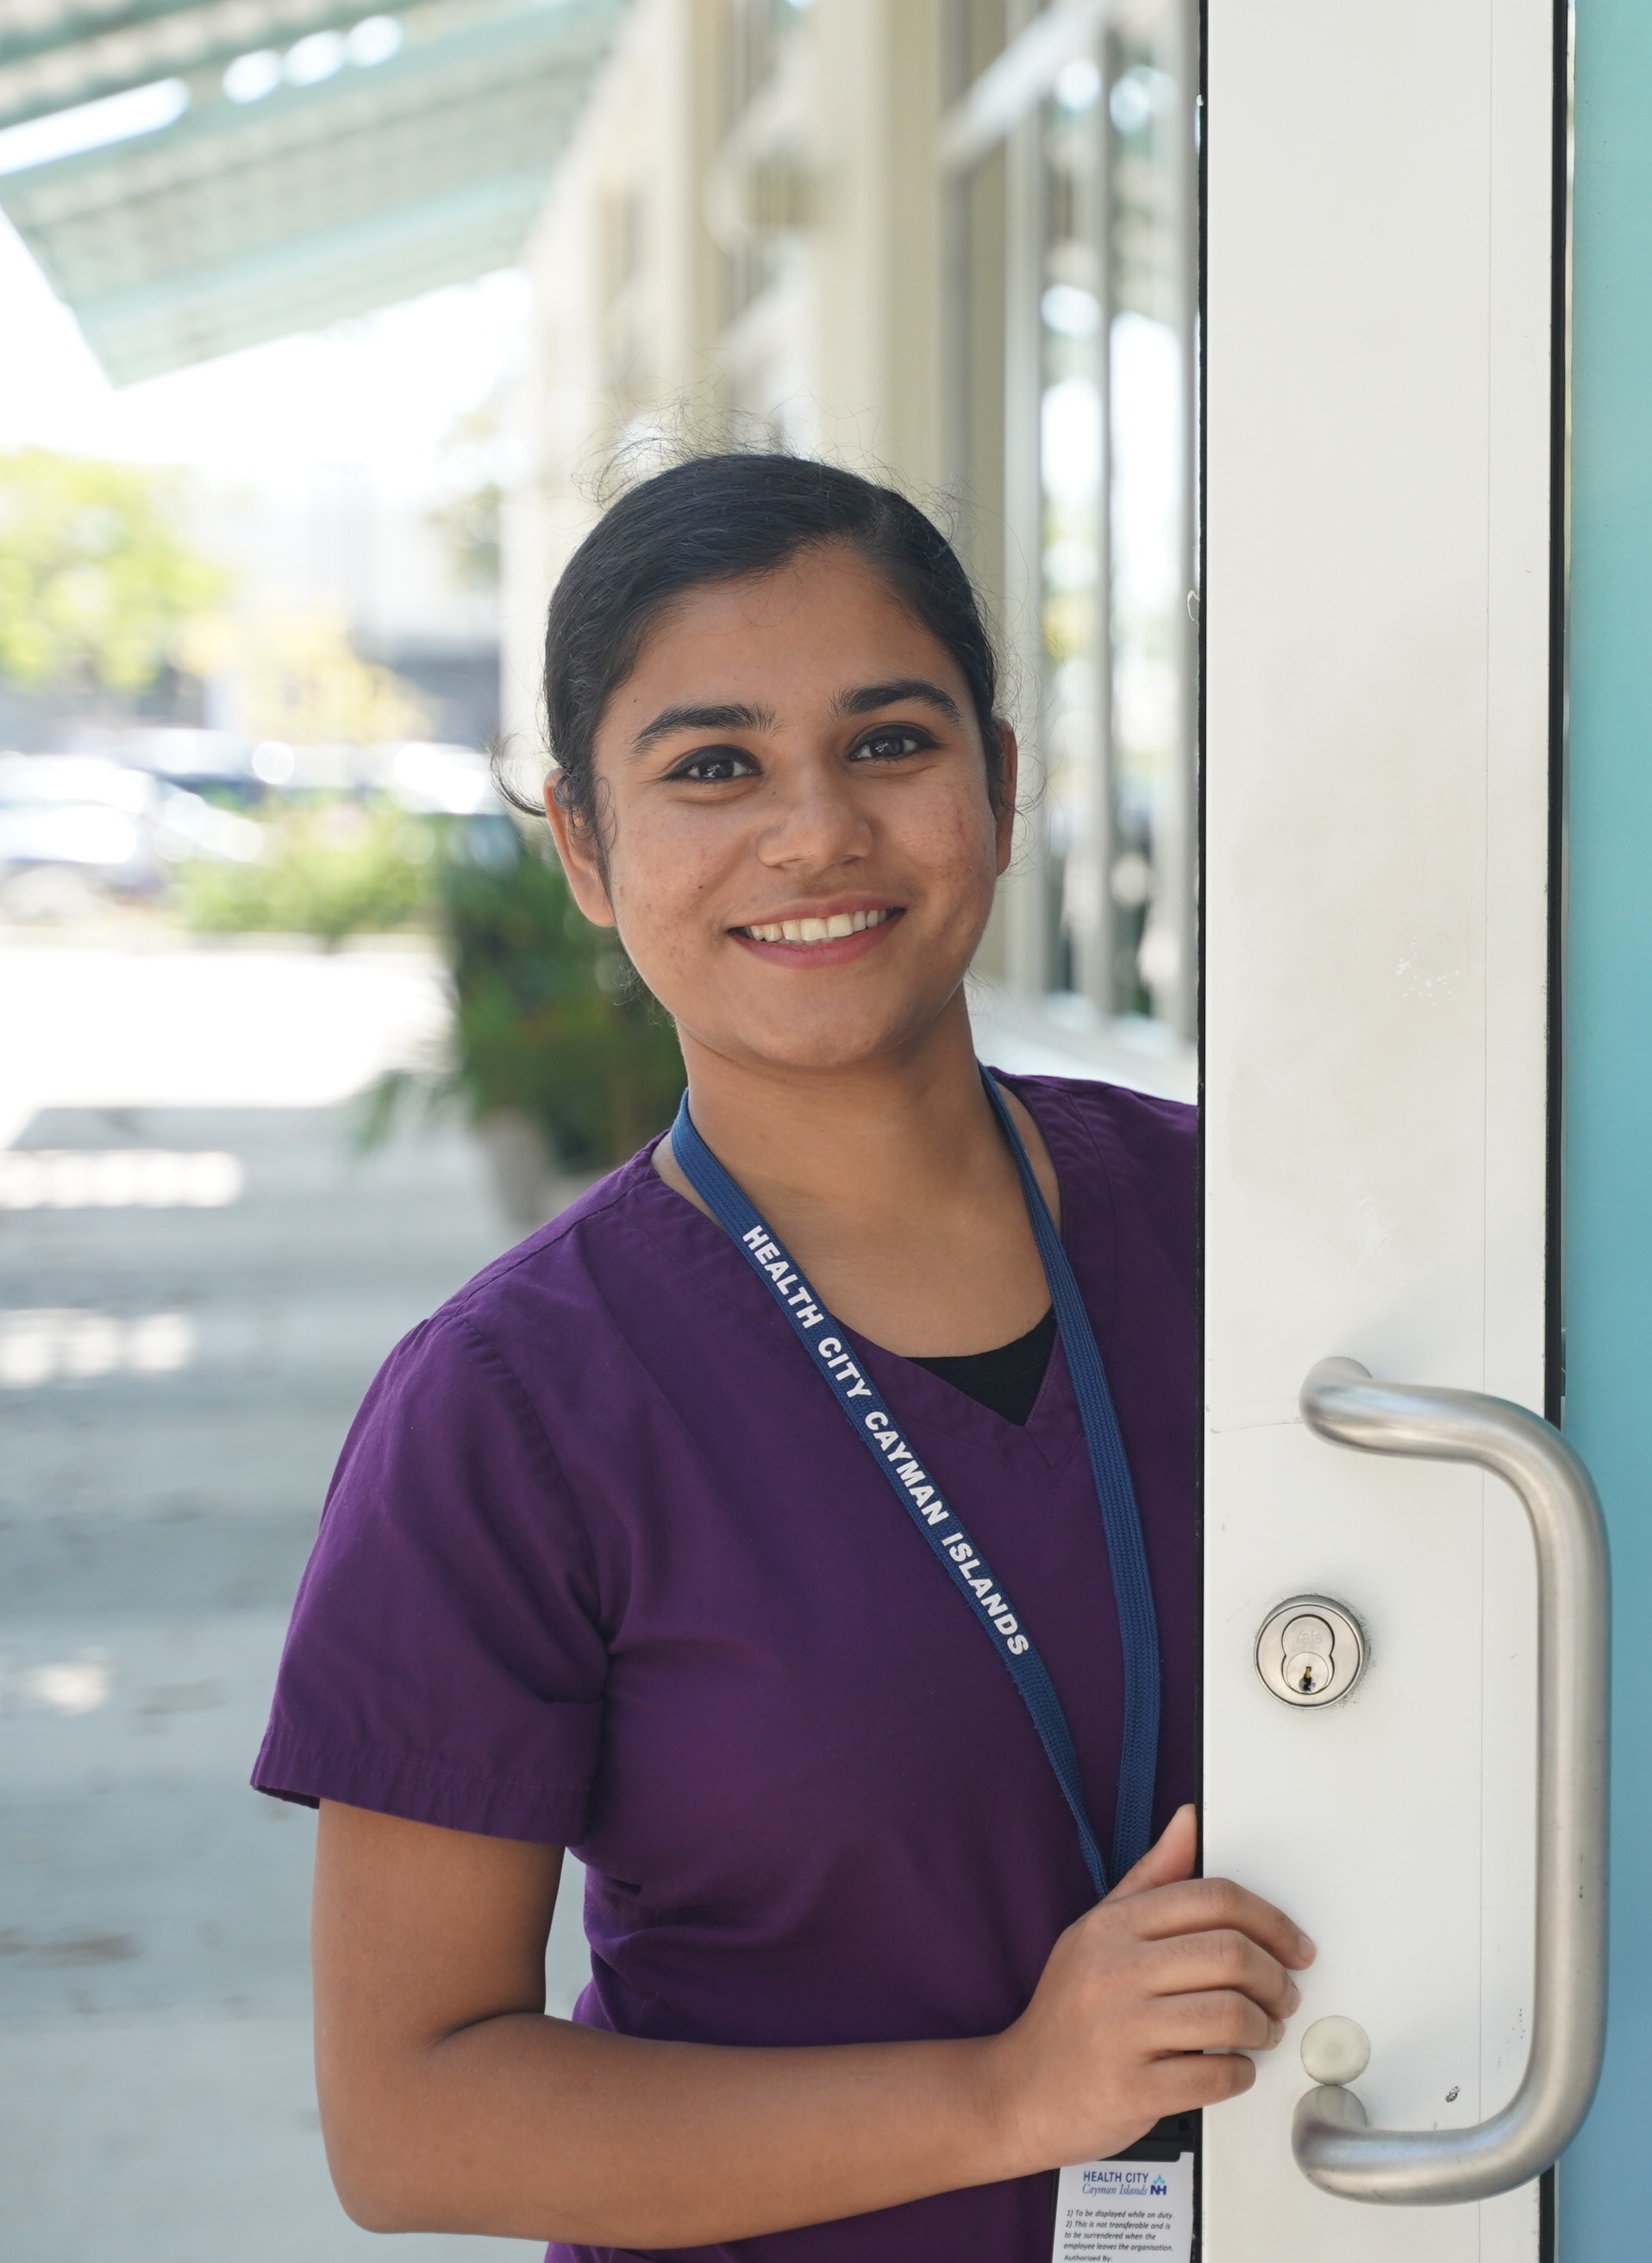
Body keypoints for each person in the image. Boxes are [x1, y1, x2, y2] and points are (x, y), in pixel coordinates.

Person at [251, 452, 1311, 2260]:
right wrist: (1009, 2095)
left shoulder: (1264, 1236)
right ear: (584, 847)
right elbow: (411, 2112)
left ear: (1004, 777)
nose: (815, 832)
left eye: (891, 743)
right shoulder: (514, 1410)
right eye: (712, 767)